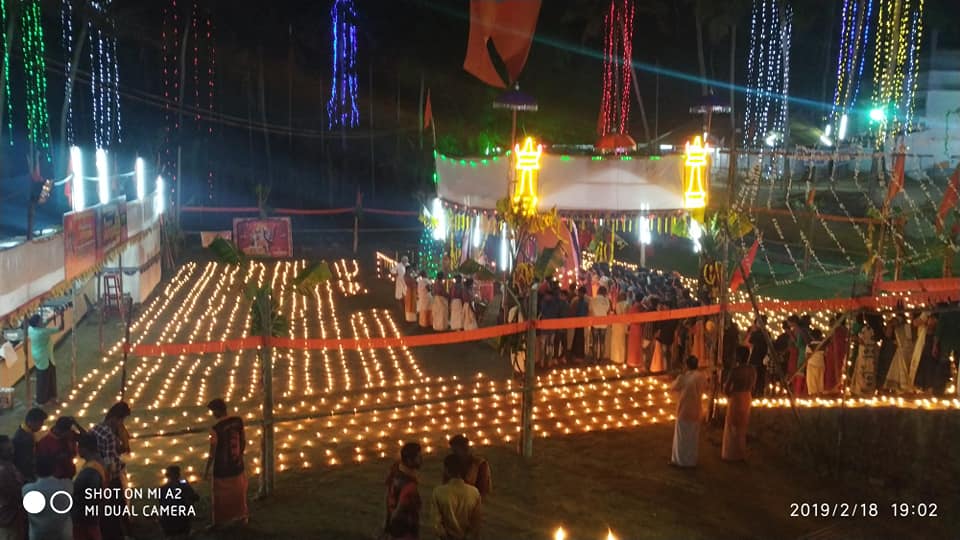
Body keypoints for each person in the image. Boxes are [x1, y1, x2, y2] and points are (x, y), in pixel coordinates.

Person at [203, 398, 247, 527]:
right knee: (239, 492)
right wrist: (239, 455)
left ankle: (218, 522)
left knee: (220, 497)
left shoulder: (216, 428)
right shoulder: (238, 421)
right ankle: (241, 516)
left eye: (212, 411)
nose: (212, 414)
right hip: (237, 464)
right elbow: (243, 440)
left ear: (217, 410)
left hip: (222, 468)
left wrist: (206, 470)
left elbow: (213, 452)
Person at [90, 402, 131, 540]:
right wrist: (121, 465)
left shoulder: (96, 427)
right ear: (115, 417)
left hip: (96, 471)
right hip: (110, 477)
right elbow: (111, 462)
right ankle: (122, 532)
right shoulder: (109, 434)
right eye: (121, 419)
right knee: (117, 508)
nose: (121, 423)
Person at [431, 454, 481, 540]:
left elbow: (436, 523)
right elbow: (475, 522)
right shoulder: (474, 492)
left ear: (446, 470)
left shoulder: (438, 492)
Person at [669, 356, 708, 468]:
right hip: (696, 410)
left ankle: (679, 460)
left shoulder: (684, 378)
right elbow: (705, 386)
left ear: (687, 366)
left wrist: (679, 375)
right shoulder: (701, 376)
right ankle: (691, 461)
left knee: (681, 437)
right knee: (692, 437)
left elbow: (673, 388)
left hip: (685, 409)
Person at [22, 455, 71, 540]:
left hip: (38, 536)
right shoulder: (67, 486)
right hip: (62, 536)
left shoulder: (27, 489)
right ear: (55, 469)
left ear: (35, 470)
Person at [722, 346, 757, 462]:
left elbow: (726, 388)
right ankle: (741, 453)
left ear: (738, 356)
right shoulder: (752, 370)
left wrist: (729, 395)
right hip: (747, 397)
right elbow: (753, 386)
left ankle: (731, 454)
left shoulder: (735, 371)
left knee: (732, 425)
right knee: (742, 426)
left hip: (736, 398)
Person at [384, 442, 422, 540]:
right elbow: (400, 509)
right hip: (405, 529)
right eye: (418, 457)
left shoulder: (396, 472)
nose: (421, 460)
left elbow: (389, 498)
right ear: (409, 460)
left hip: (396, 528)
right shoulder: (409, 485)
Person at [72, 434, 105, 540]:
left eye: (78, 446)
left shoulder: (90, 471)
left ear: (84, 448)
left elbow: (88, 496)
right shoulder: (97, 461)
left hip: (85, 519)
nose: (76, 449)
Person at [28, 312, 63, 406]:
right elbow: (61, 328)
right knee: (44, 378)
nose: (42, 322)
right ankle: (43, 399)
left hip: (38, 355)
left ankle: (49, 396)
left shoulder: (31, 329)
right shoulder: (42, 332)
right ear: (37, 324)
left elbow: (43, 325)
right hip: (44, 356)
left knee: (45, 376)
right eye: (40, 321)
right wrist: (62, 315)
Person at [158, 466, 199, 539]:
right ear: (179, 475)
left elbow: (161, 504)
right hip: (183, 523)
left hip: (167, 524)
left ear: (167, 476)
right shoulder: (184, 486)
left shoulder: (162, 489)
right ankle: (186, 530)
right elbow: (196, 498)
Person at [0, 436, 25, 540]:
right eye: (8, 450)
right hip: (8, 519)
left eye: (12, 448)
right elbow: (17, 493)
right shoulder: (3, 472)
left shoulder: (8, 465)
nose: (12, 452)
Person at [13, 408, 47, 482]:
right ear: (30, 422)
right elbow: (25, 461)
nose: (41, 427)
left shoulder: (25, 430)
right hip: (26, 475)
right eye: (40, 424)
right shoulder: (24, 439)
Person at [850, 318, 877, 396]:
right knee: (869, 371)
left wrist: (855, 338)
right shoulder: (873, 329)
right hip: (870, 354)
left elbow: (861, 340)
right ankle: (867, 390)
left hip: (864, 353)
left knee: (861, 371)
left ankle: (860, 390)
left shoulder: (865, 329)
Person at [823, 314, 849, 393]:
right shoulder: (845, 329)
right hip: (839, 350)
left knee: (833, 369)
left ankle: (833, 387)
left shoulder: (836, 329)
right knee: (837, 368)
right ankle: (836, 387)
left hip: (835, 350)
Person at [746, 317, 769, 397]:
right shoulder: (767, 333)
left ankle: (754, 392)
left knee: (754, 375)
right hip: (762, 356)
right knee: (761, 375)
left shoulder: (756, 333)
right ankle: (760, 392)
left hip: (756, 356)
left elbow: (748, 342)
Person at [568, 287, 589, 362]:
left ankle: (578, 355)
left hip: (581, 322)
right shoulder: (576, 301)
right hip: (577, 322)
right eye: (579, 293)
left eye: (581, 293)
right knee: (577, 337)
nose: (580, 294)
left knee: (579, 338)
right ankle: (576, 355)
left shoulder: (582, 302)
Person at [608, 292, 629, 364]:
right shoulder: (628, 304)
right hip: (624, 326)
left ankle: (616, 358)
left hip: (617, 325)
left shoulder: (618, 304)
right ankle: (622, 358)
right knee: (622, 343)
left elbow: (617, 314)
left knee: (616, 342)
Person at [626, 296, 645, 369]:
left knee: (633, 345)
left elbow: (629, 318)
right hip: (640, 328)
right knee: (638, 345)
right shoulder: (643, 308)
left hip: (634, 328)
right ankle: (638, 361)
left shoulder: (633, 308)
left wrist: (629, 325)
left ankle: (632, 361)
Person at [805, 330, 826, 396]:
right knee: (820, 379)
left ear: (812, 336)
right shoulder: (823, 345)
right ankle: (820, 393)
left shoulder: (810, 345)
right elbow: (825, 354)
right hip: (821, 363)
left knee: (812, 380)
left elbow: (808, 356)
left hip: (812, 364)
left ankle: (813, 393)